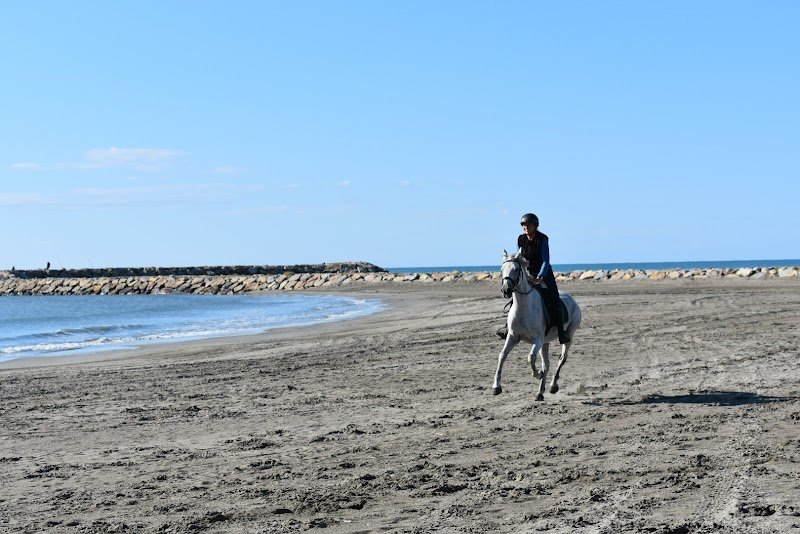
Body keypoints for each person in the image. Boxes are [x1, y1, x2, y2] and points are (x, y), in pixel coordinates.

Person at [517, 213, 571, 344]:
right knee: (517, 296)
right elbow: (520, 258)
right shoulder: (521, 239)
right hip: (528, 274)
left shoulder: (542, 239)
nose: (526, 227)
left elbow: (546, 261)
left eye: (528, 225)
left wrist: (539, 277)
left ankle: (561, 332)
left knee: (554, 300)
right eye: (524, 225)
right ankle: (509, 328)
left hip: (544, 274)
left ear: (535, 226)